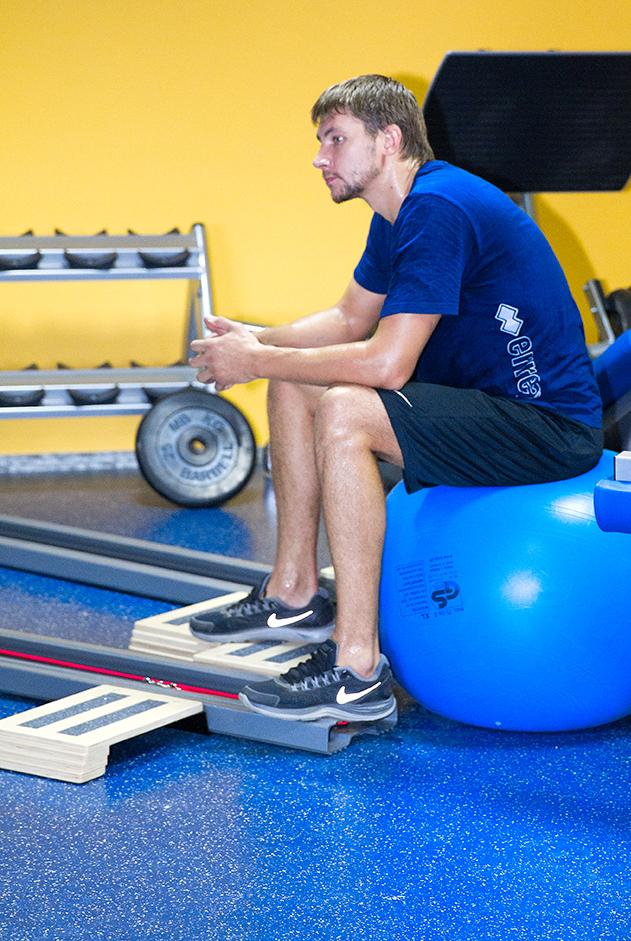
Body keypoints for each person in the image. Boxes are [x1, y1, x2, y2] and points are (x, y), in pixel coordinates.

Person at [187, 74, 604, 723]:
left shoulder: (438, 208)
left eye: (334, 139)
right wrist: (254, 342)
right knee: (295, 381)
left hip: (545, 427)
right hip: (482, 406)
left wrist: (255, 359)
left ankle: (356, 669)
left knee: (345, 411)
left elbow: (386, 363)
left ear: (388, 140)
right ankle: (294, 593)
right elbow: (349, 318)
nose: (319, 157)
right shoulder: (398, 214)